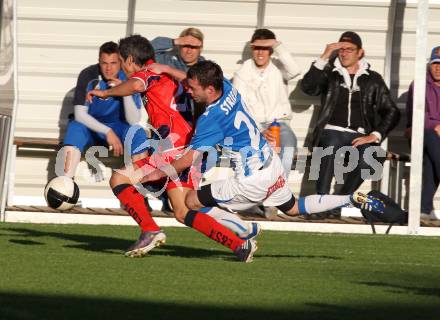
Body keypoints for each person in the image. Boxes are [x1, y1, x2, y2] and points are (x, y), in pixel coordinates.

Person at [141, 60, 386, 260]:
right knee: (293, 208)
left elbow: (187, 159)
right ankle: (351, 198)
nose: (188, 91)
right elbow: (191, 77)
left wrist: (157, 172)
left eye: (192, 88)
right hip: (271, 164)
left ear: (209, 90)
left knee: (191, 201)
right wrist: (167, 69)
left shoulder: (210, 119)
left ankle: (245, 232)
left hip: (250, 180)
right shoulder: (226, 87)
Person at [86, 35, 261, 262]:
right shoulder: (170, 74)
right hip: (189, 146)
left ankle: (150, 230)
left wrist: (106, 92)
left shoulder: (149, 72)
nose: (121, 68)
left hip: (172, 150)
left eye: (120, 61)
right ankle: (240, 245)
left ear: (130, 60)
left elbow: (138, 83)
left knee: (119, 179)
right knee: (183, 210)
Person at [300, 31, 400, 216]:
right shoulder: (330, 74)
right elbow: (308, 87)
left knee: (375, 155)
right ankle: (321, 202)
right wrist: (324, 56)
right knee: (329, 147)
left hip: (360, 135)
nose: (344, 53)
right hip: (332, 131)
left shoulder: (372, 78)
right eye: (341, 49)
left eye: (349, 50)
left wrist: (374, 135)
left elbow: (392, 111)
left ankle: (339, 202)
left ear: (360, 52)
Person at [60, 41, 148, 179]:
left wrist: (124, 90)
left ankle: (139, 190)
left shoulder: (129, 77)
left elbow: (133, 119)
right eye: (104, 63)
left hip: (119, 127)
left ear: (120, 62)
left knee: (137, 132)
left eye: (113, 63)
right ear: (98, 62)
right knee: (75, 128)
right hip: (91, 129)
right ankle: (65, 187)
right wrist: (107, 131)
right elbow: (79, 114)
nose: (108, 69)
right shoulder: (88, 75)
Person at [233, 28, 300, 177]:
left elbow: (295, 70)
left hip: (279, 123)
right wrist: (258, 129)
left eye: (265, 48)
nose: (260, 53)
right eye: (257, 48)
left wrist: (277, 45)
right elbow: (239, 107)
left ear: (271, 50)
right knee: (254, 156)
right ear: (252, 49)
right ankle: (259, 191)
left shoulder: (278, 66)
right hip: (253, 126)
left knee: (288, 146)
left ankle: (279, 188)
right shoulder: (242, 72)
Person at [405, 46, 440, 220]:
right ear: (429, 65)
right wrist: (437, 126)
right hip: (420, 134)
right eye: (435, 63)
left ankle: (424, 208)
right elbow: (419, 117)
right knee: (432, 139)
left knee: (431, 160)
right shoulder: (419, 84)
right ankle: (424, 207)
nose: (438, 67)